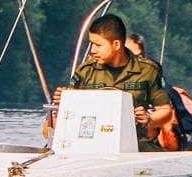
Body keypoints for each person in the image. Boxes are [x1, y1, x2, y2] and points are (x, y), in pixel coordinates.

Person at [63, 14, 173, 152]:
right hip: (90, 145)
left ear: (116, 44)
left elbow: (165, 111)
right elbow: (68, 114)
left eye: (98, 45)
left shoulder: (147, 71)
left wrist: (149, 119)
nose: (92, 50)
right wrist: (62, 104)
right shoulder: (85, 71)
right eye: (91, 44)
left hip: (135, 145)